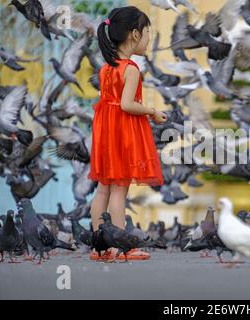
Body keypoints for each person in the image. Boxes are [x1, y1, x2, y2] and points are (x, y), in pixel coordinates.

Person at [87, 6, 167, 261]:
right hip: (121, 132)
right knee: (119, 190)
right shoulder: (130, 68)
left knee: (103, 190)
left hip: (105, 131)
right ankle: (118, 248)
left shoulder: (106, 68)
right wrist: (152, 111)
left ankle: (99, 248)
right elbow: (126, 105)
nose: (148, 39)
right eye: (147, 34)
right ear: (134, 34)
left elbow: (108, 102)